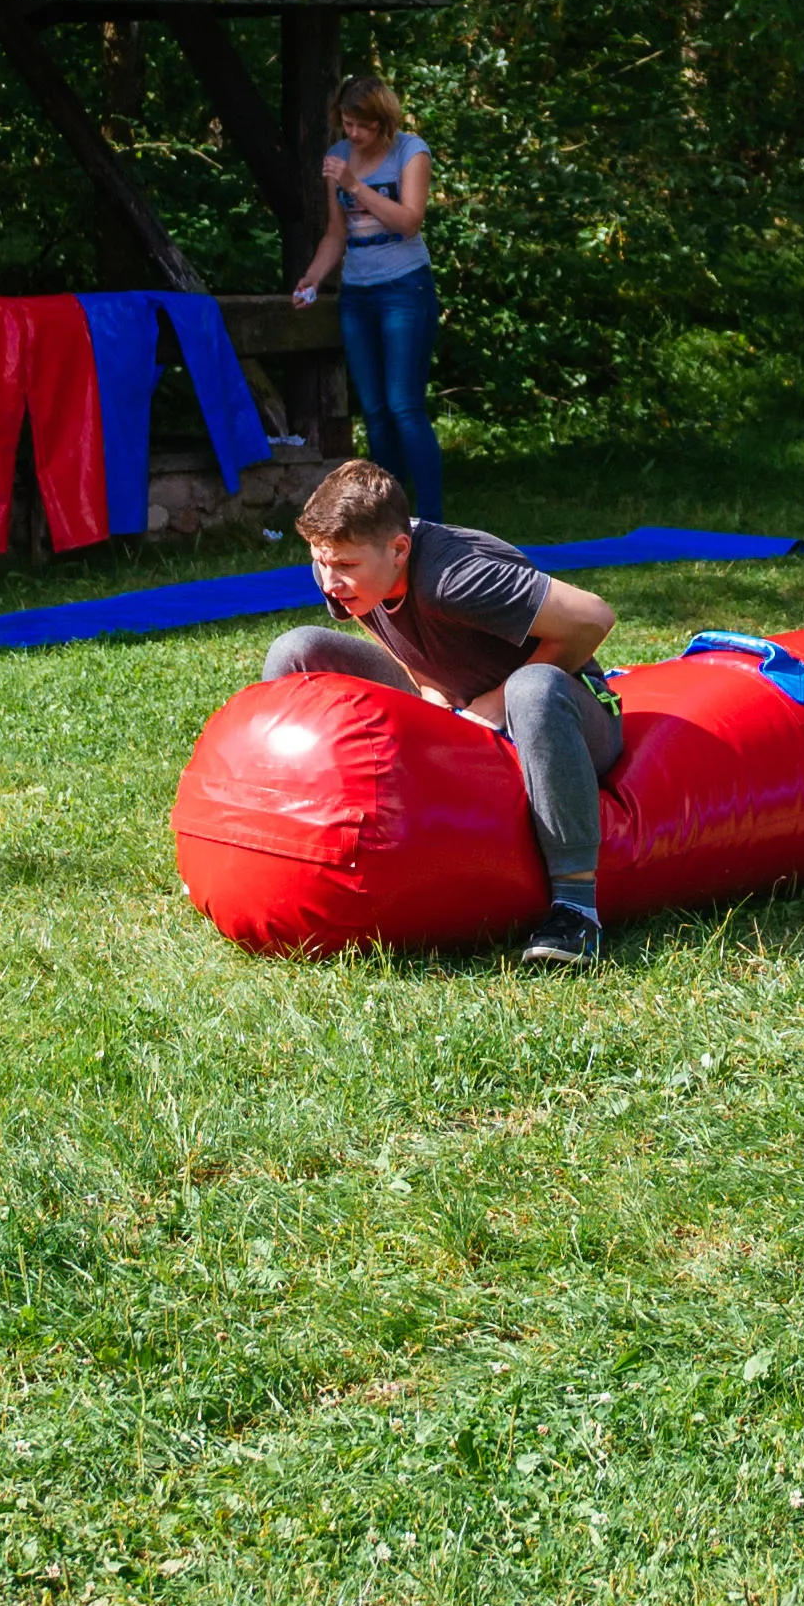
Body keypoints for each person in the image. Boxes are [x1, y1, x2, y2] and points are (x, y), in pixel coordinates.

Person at [264, 457, 625, 964]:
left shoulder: (453, 577)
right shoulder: (344, 560)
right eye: (321, 561)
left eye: (344, 566)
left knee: (532, 687)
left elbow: (594, 617)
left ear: (399, 549)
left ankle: (575, 910)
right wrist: (428, 687)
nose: (328, 579)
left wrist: (493, 702)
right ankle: (278, 834)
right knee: (297, 650)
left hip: (565, 715)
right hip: (457, 707)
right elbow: (387, 623)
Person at [291, 76, 442, 520]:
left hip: (405, 288)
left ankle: (432, 519)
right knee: (375, 410)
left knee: (404, 405)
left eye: (362, 125)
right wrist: (313, 279)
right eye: (346, 123)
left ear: (384, 123)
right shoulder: (337, 157)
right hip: (358, 294)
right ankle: (388, 517)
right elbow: (337, 233)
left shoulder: (410, 152)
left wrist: (356, 186)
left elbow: (409, 221)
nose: (352, 133)